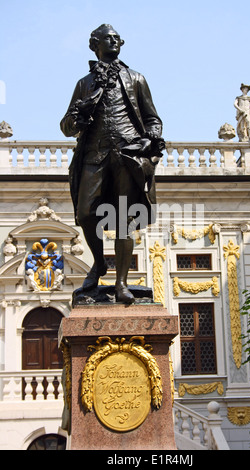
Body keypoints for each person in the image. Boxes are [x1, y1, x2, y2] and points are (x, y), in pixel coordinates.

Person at [60, 24, 164, 303]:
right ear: (95, 44)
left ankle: (121, 283)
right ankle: (99, 263)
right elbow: (66, 126)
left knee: (123, 220)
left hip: (127, 155)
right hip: (94, 156)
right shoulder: (84, 83)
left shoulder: (136, 78)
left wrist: (151, 138)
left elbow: (153, 118)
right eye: (108, 37)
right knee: (84, 214)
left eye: (117, 38)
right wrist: (77, 120)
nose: (114, 40)